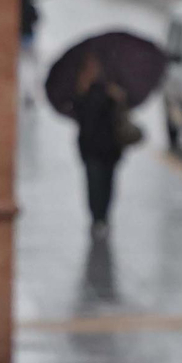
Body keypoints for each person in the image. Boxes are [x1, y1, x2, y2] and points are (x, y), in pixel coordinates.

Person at [72, 52, 127, 236]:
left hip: (110, 147)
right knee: (94, 184)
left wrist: (118, 97)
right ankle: (96, 218)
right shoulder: (81, 89)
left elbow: (120, 115)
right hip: (90, 148)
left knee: (108, 183)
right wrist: (82, 91)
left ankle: (105, 216)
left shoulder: (111, 87)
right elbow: (77, 115)